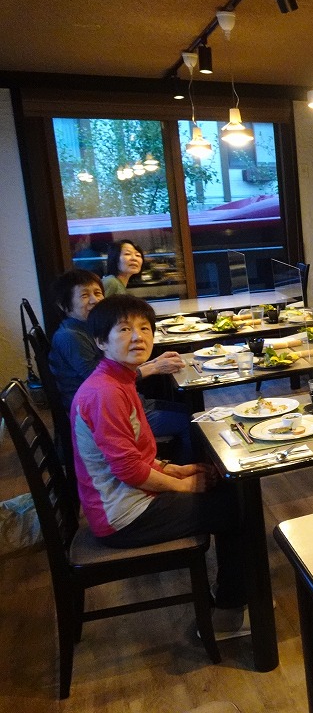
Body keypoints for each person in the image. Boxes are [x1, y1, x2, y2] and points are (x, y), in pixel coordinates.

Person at [71, 296, 249, 638]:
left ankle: (234, 594)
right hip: (123, 518)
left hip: (127, 501)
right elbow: (129, 470)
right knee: (236, 506)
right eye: (125, 329)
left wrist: (174, 469)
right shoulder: (104, 393)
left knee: (229, 485)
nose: (138, 337)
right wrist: (184, 485)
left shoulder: (118, 380)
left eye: (144, 328)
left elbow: (135, 455)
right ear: (100, 341)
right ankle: (230, 611)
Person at [49, 269, 194, 461]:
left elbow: (115, 367)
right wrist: (154, 367)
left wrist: (154, 362)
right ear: (64, 305)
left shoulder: (88, 329)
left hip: (127, 403)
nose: (94, 300)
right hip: (104, 415)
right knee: (191, 422)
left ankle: (170, 463)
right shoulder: (70, 336)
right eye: (84, 295)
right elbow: (98, 376)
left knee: (192, 410)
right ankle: (188, 471)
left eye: (98, 293)